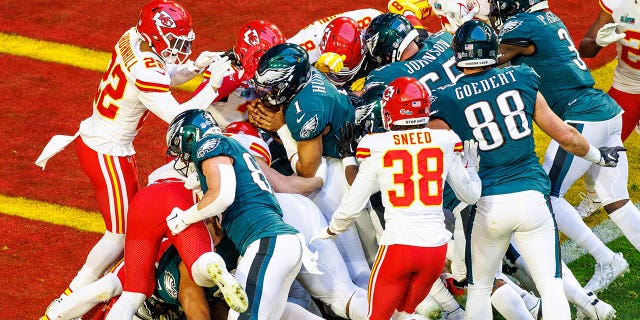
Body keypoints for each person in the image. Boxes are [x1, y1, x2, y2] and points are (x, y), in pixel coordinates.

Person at [36, 0, 232, 315]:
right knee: (120, 235)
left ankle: (90, 291)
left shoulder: (134, 37)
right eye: (174, 40)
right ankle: (70, 295)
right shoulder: (146, 70)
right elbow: (180, 117)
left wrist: (195, 67)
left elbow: (165, 73)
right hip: (107, 151)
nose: (179, 47)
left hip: (106, 144)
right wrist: (214, 85)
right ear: (156, 35)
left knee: (128, 229)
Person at [428, 19, 624, 319]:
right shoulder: (521, 77)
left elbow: (435, 155)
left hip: (487, 204)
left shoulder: (444, 99)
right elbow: (567, 136)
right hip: (532, 198)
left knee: (480, 287)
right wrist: (598, 156)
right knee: (551, 286)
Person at [491, 0, 637, 293]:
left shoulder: (522, 26)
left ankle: (606, 259)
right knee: (617, 200)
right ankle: (607, 259)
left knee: (546, 195)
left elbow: (486, 59)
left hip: (581, 116)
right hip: (604, 111)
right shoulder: (547, 19)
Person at [313, 76, 482, 320]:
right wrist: (471, 169)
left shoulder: (378, 145)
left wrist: (331, 231)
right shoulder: (445, 140)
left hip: (399, 248)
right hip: (435, 251)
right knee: (406, 313)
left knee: (378, 317)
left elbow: (354, 202)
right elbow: (471, 194)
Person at [157, 109, 305, 320]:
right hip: (282, 241)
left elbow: (223, 195)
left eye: (180, 148)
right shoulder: (231, 146)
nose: (182, 157)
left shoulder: (208, 145)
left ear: (190, 135)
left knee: (242, 316)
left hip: (265, 242)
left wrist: (184, 218)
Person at [249, 43, 372, 289]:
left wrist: (281, 128)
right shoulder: (306, 80)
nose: (263, 93)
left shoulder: (306, 108)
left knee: (357, 261)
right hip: (349, 153)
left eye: (271, 87)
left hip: (345, 166)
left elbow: (307, 170)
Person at [576, 0, 640, 219]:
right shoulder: (618, 4)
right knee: (595, 148)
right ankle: (594, 195)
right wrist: (598, 42)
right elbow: (585, 49)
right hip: (628, 86)